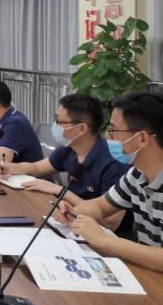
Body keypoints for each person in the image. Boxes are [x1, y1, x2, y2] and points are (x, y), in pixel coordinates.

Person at [53, 92, 163, 271]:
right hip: (148, 273)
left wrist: (104, 240)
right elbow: (100, 206)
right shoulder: (136, 174)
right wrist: (74, 212)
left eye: (112, 130)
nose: (107, 136)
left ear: (141, 138)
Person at [0, 94, 132, 233]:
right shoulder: (69, 149)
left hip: (103, 235)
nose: (55, 126)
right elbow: (36, 168)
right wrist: (11, 167)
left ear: (81, 129)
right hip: (72, 221)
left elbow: (111, 223)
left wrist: (61, 191)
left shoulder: (115, 162)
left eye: (59, 122)